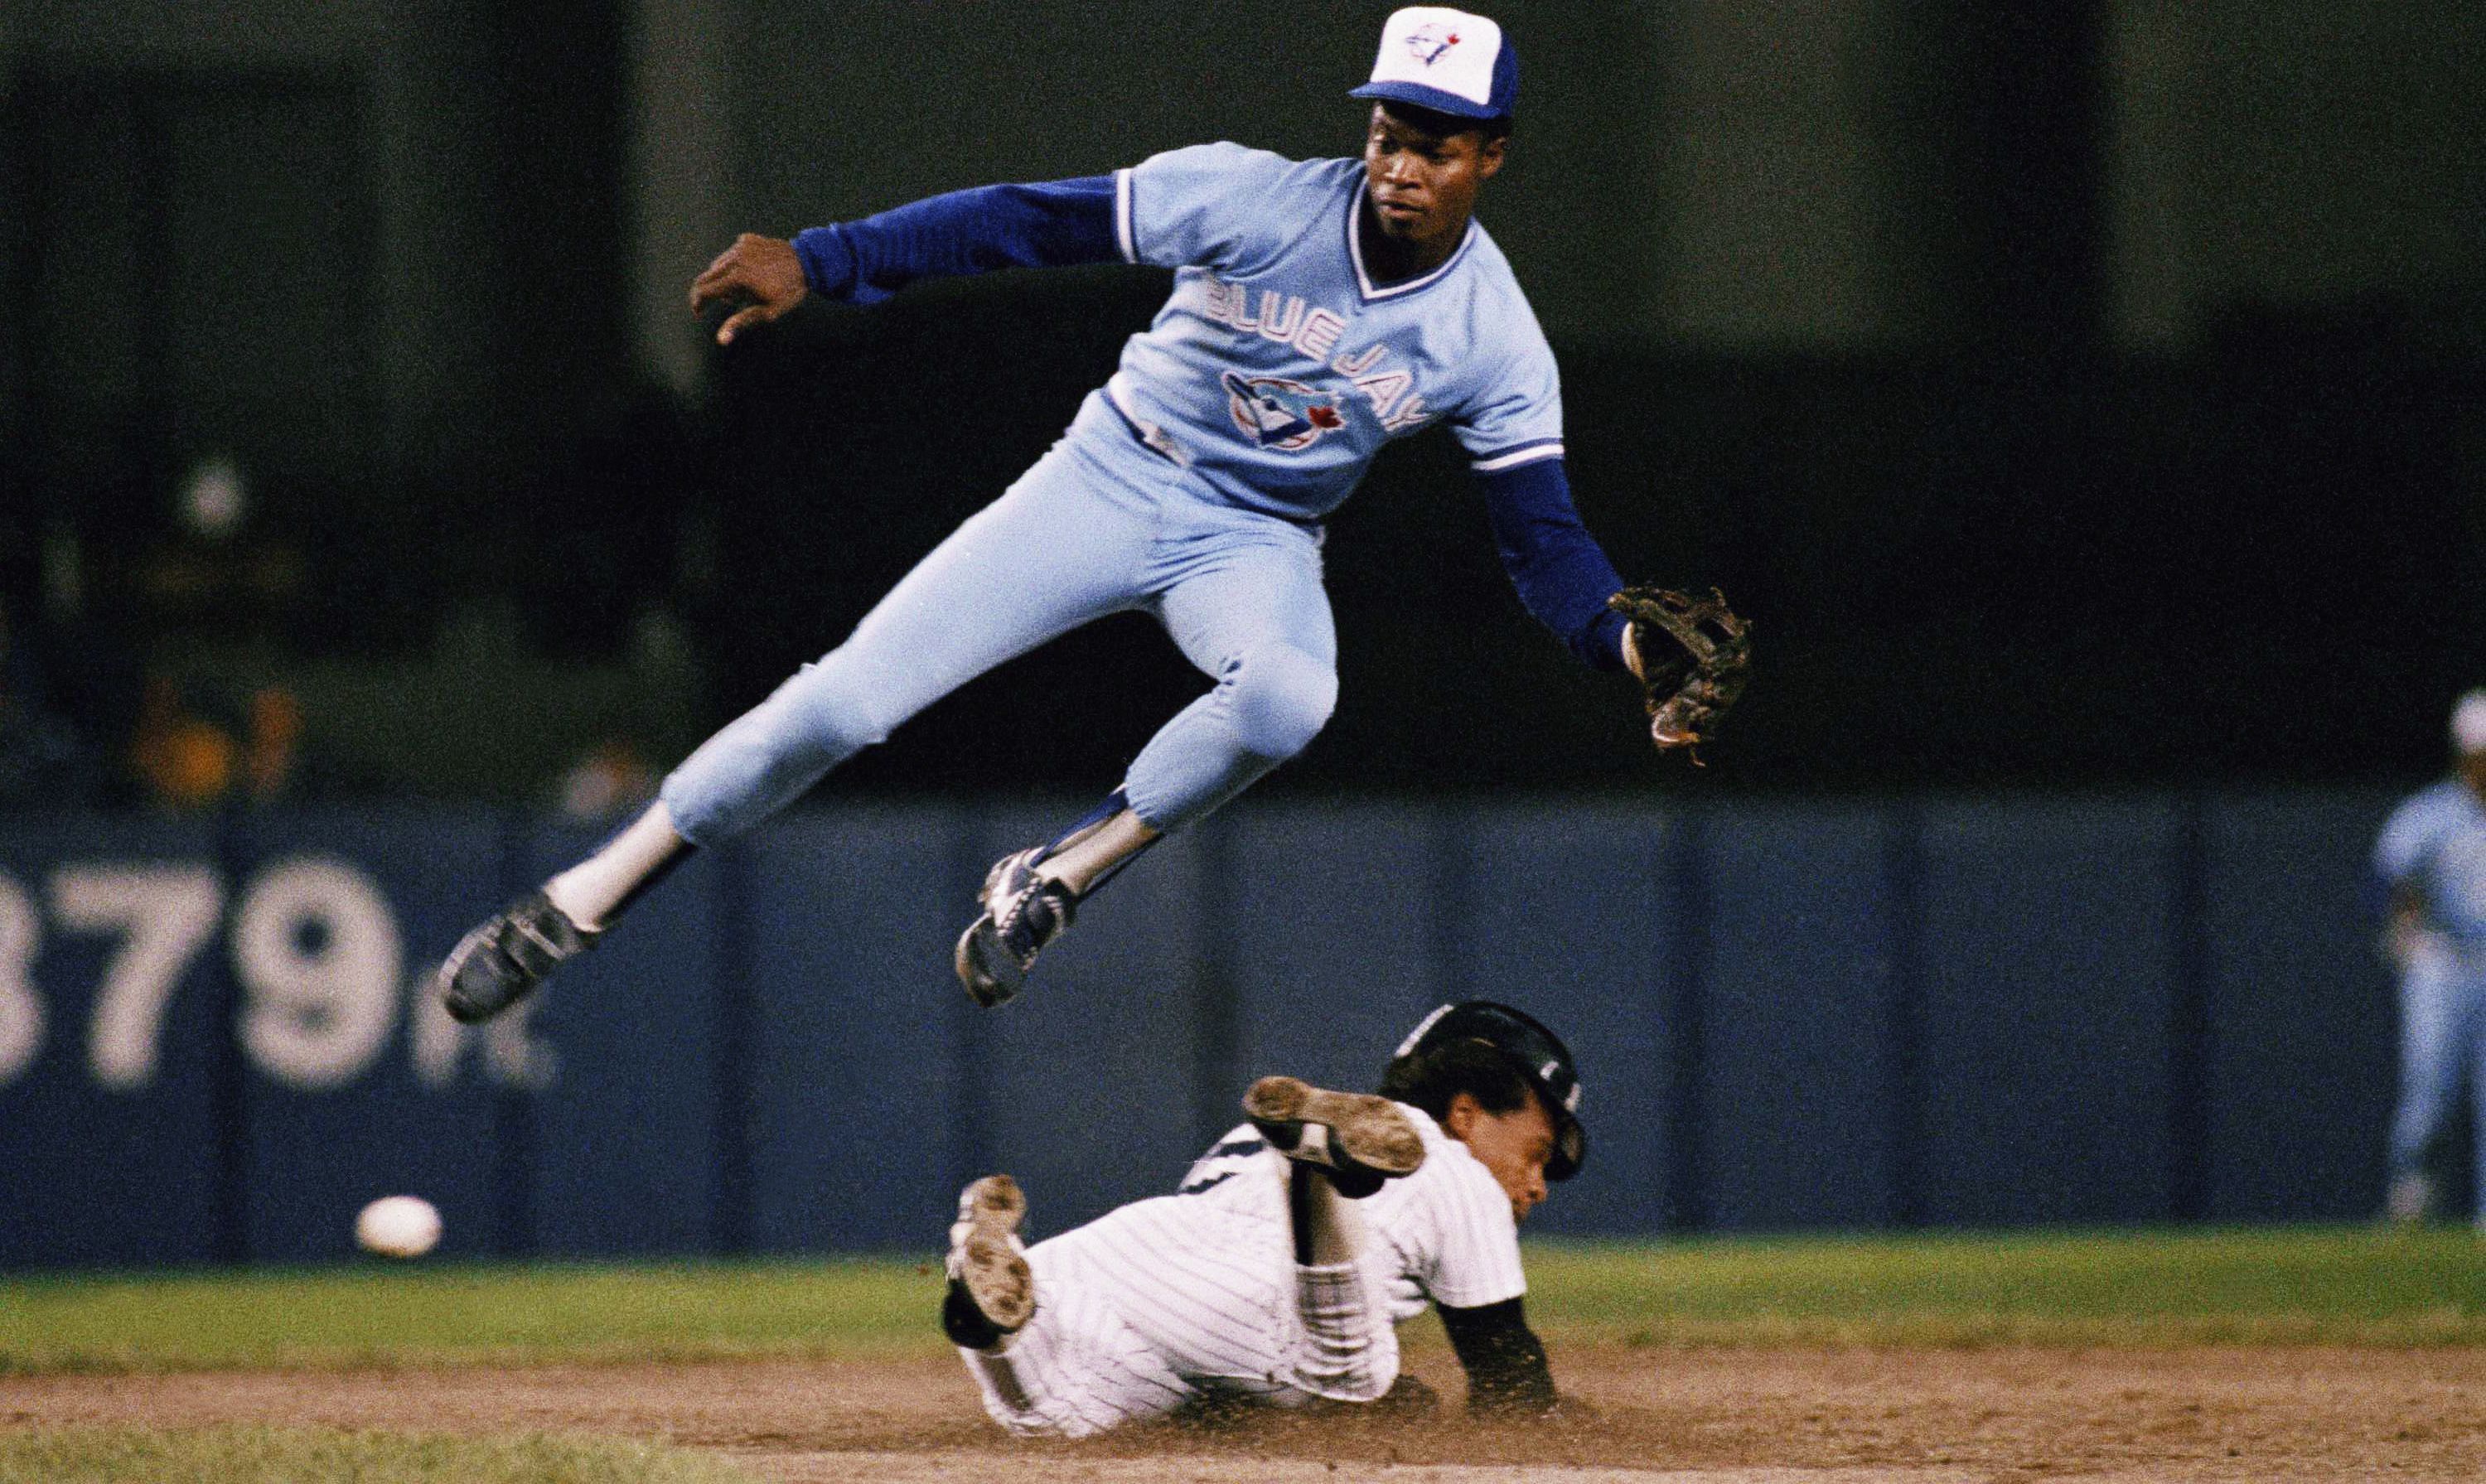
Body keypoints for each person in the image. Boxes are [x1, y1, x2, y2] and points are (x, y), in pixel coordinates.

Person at [438, 7, 1657, 1023]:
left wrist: (1624, 639)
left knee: (1293, 695)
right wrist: (825, 258)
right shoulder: (1253, 196)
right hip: (1111, 474)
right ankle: (579, 900)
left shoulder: (1491, 335)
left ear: (1492, 155)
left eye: (1437, 146)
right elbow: (1029, 219)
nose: (1400, 164)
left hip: (1255, 538)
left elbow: (1541, 538)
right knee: (848, 699)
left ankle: (1057, 877)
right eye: (1391, 132)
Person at [942, 1000, 1584, 1436]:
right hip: (1269, 1292)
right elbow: (1511, 1386)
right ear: (1467, 1111)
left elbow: (1208, 1346)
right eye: (1535, 1152)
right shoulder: (1451, 1167)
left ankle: (988, 1297)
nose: (1537, 1185)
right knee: (1349, 1378)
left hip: (1121, 1252)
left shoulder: (1236, 1141)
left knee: (1060, 1417)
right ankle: (1313, 1168)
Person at [2373, 689, 2486, 1225]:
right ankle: (2412, 1203)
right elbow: (2390, 875)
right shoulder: (2432, 813)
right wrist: (2404, 929)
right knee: (2430, 1096)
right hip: (2444, 961)